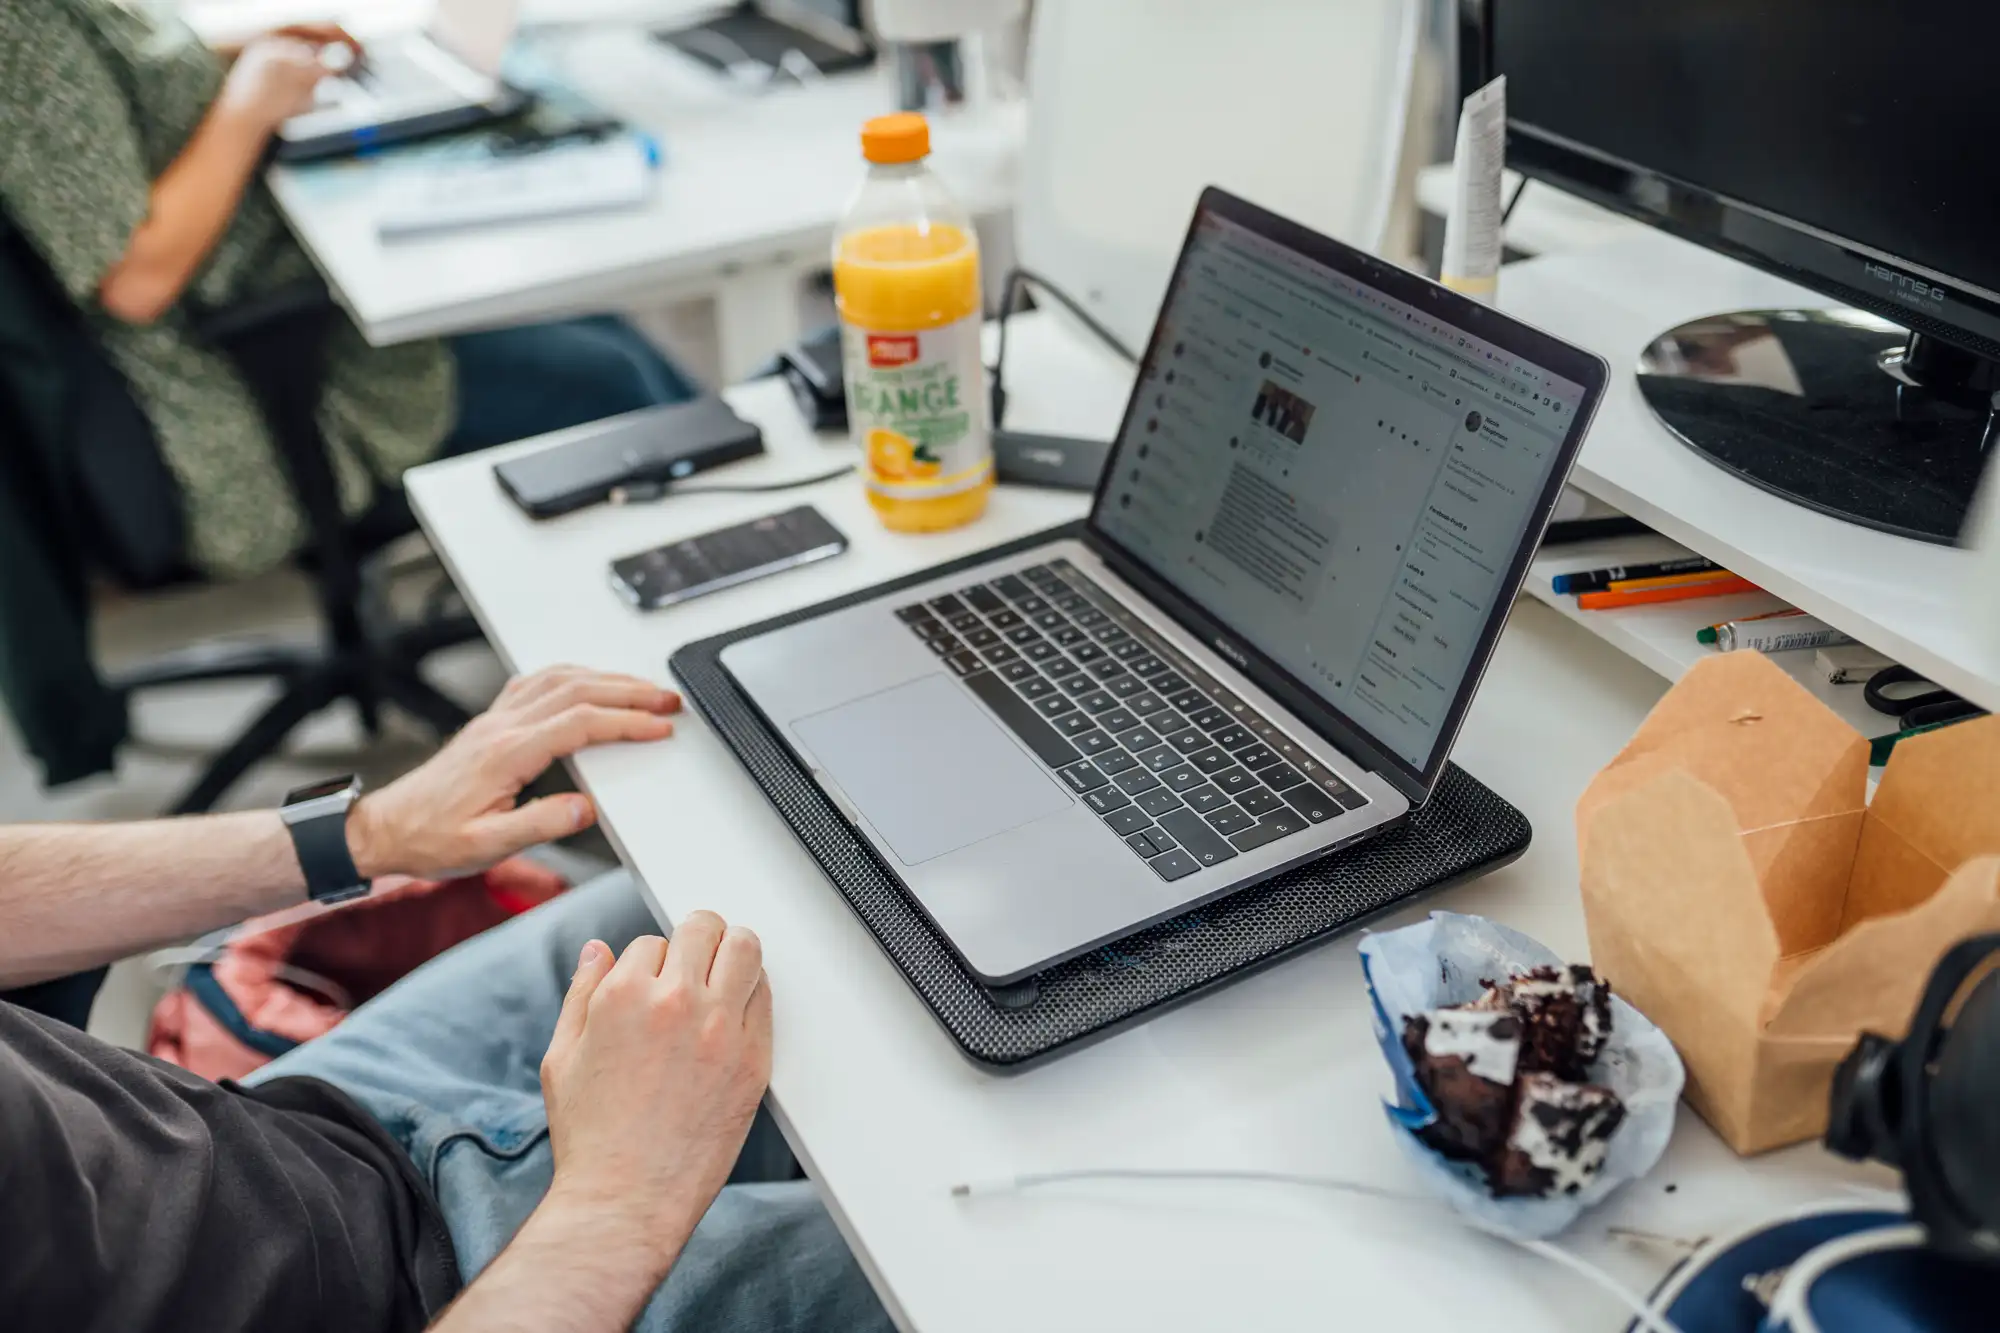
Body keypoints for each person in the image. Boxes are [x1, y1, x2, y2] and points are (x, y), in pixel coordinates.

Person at [0, 665, 893, 1333]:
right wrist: (617, 1202)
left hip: (302, 1124)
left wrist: (367, 832)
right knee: (959, 1272)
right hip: (443, 1301)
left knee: (786, 882)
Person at [0, 0, 694, 581]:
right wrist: (250, 103)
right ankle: (691, 615)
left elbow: (101, 99)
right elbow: (135, 279)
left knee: (610, 333)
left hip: (275, 313)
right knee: (608, 380)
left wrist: (234, 56)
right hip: (240, 395)